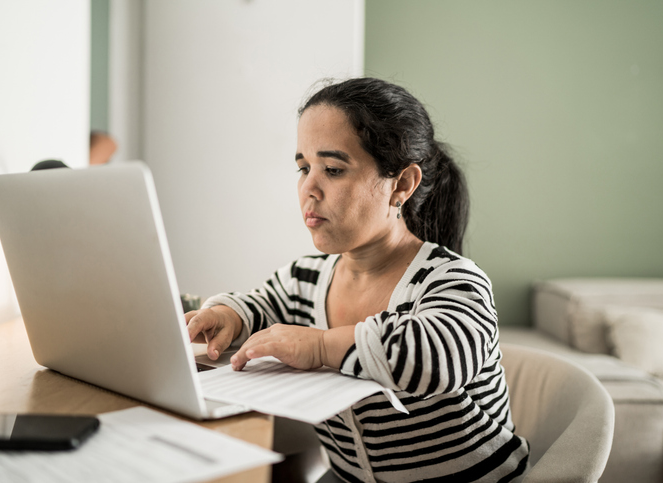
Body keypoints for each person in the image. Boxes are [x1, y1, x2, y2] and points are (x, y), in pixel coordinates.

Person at [185, 78, 530, 482]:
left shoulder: (451, 279)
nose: (308, 189)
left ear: (401, 184)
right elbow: (261, 305)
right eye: (303, 168)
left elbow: (437, 357)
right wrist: (230, 315)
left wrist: (318, 346)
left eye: (332, 169)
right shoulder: (305, 278)